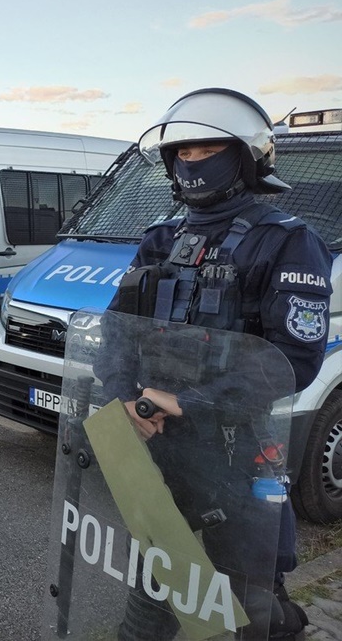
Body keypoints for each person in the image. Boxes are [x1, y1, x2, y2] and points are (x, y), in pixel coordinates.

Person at [98, 88, 332, 640]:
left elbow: (291, 360)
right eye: (182, 152)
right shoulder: (161, 237)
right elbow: (115, 330)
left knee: (251, 600)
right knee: (154, 582)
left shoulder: (288, 242)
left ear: (247, 157)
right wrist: (124, 399)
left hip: (238, 448)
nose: (191, 162)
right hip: (161, 441)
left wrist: (191, 401)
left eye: (206, 150)